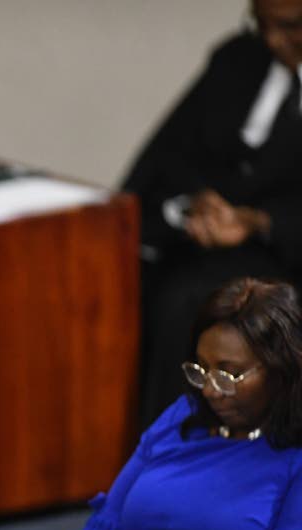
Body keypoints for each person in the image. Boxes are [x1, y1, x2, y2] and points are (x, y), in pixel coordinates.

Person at [62, 277, 302, 530]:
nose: (210, 390)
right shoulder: (182, 417)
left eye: (229, 374)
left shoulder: (294, 455)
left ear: (282, 371)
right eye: (202, 369)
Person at [125, 0, 302, 427]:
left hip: (284, 255)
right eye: (262, 25)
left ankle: (184, 451)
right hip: (198, 248)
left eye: (290, 26)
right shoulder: (237, 60)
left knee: (192, 305)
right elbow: (163, 161)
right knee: (115, 284)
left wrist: (258, 223)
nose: (272, 40)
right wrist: (195, 207)